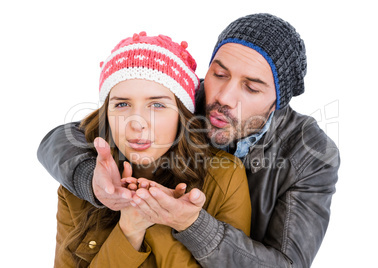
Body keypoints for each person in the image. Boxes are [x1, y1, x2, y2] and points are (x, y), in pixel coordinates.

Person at [38, 13, 340, 268]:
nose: (223, 97)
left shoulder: (309, 154)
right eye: (219, 74)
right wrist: (88, 178)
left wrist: (191, 224)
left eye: (251, 87)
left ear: (278, 102)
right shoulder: (178, 96)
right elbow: (72, 135)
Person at [48, 32, 251, 267]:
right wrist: (130, 229)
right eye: (122, 104)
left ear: (181, 114)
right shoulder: (79, 185)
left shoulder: (225, 176)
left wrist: (167, 222)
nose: (137, 122)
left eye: (157, 105)